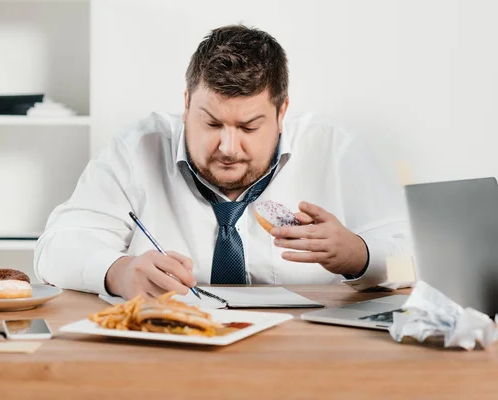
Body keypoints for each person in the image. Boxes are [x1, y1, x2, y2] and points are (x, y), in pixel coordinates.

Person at [34, 24, 410, 300]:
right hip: (172, 352)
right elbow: (54, 248)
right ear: (185, 105)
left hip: (304, 355)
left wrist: (359, 255)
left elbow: (415, 257)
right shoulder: (138, 148)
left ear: (282, 113)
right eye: (211, 123)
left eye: (249, 126)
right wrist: (117, 271)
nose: (228, 148)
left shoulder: (335, 149)